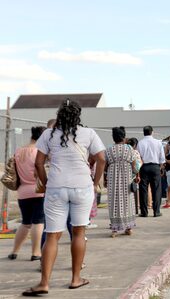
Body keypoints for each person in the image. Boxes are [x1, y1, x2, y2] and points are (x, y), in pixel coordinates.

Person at [23, 99, 105, 296]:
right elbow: (101, 159)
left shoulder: (48, 134)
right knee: (78, 232)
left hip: (56, 187)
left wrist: (44, 182)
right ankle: (76, 279)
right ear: (78, 115)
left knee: (52, 235)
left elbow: (39, 163)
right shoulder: (89, 133)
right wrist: (94, 183)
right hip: (82, 186)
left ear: (60, 114)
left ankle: (44, 283)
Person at [7, 126, 46, 261]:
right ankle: (36, 252)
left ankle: (14, 251)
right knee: (38, 222)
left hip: (22, 191)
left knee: (25, 223)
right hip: (38, 191)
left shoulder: (19, 151)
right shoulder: (39, 152)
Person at [106, 127, 137, 237]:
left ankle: (114, 229)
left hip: (113, 178)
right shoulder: (129, 149)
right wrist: (136, 174)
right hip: (126, 178)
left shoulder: (108, 149)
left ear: (113, 138)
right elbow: (134, 165)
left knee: (114, 202)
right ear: (124, 137)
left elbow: (106, 165)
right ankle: (128, 228)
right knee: (127, 201)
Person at [137, 126, 165, 217]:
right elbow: (162, 158)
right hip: (155, 166)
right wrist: (160, 168)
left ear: (143, 132)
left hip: (144, 167)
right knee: (156, 189)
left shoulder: (140, 143)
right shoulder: (158, 142)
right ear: (152, 132)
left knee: (143, 190)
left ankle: (144, 212)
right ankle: (156, 211)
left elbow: (138, 157)